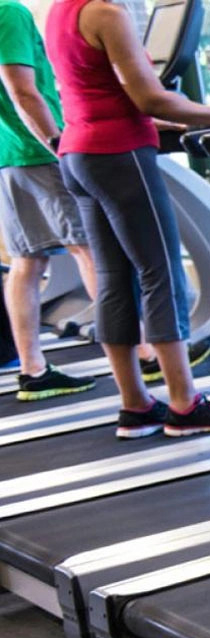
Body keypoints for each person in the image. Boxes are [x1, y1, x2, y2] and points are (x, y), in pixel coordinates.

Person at [45, 0, 210, 437]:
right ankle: (185, 404)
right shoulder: (107, 15)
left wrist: (170, 121)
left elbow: (99, 90)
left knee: (114, 279)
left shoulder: (60, 10)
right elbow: (149, 98)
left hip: (79, 153)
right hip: (118, 153)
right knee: (161, 272)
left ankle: (136, 405)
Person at [0, 0, 98, 401]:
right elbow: (22, 91)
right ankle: (146, 352)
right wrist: (60, 146)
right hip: (37, 151)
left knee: (26, 260)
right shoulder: (9, 11)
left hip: (9, 153)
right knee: (90, 249)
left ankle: (33, 370)